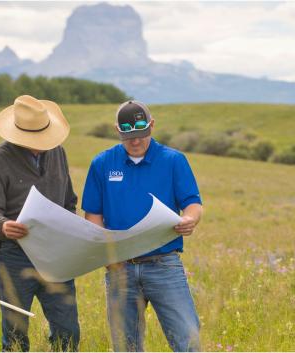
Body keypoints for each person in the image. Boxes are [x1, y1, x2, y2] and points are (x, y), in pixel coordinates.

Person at [82, 100, 203, 352]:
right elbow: (93, 215)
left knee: (188, 341)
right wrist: (108, 257)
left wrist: (190, 219)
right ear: (117, 130)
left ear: (152, 125)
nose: (135, 141)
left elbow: (192, 203)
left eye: (141, 134)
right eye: (128, 136)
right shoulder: (102, 163)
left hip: (164, 265)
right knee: (125, 346)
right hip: (120, 269)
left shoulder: (173, 160)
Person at [0, 95, 80, 352]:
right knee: (15, 337)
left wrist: (70, 228)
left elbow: (69, 200)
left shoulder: (58, 152)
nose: (40, 146)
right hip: (14, 256)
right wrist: (2, 226)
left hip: (56, 255)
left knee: (68, 332)